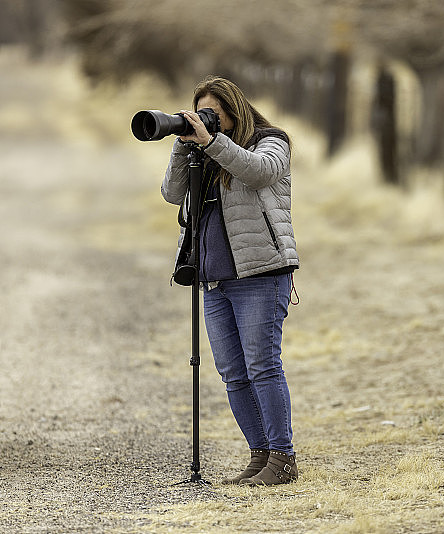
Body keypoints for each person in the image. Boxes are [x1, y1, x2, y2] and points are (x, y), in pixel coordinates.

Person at [161, 75, 299, 486]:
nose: (207, 120)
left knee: (262, 366)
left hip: (260, 272)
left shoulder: (272, 141)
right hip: (215, 276)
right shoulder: (200, 150)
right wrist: (182, 140)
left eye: (214, 114)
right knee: (232, 372)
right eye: (202, 112)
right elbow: (171, 193)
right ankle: (260, 456)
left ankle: (283, 457)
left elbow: (257, 173)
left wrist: (211, 142)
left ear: (234, 111)